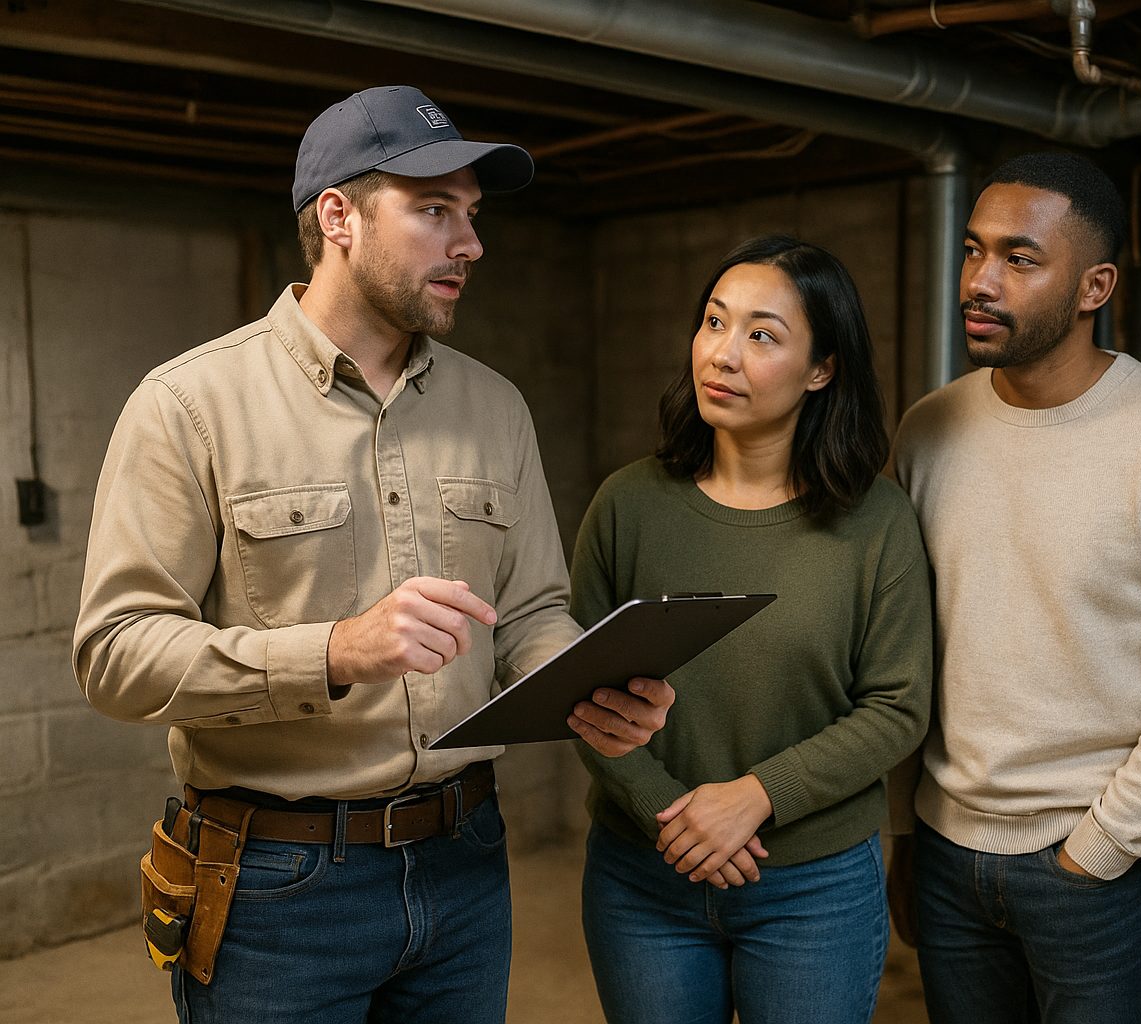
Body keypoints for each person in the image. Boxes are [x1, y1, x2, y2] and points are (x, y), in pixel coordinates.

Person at [72, 85, 674, 1023]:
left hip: (466, 860)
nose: (470, 243)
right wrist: (335, 652)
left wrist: (581, 682)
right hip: (277, 885)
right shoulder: (188, 405)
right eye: (435, 209)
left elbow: (529, 613)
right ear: (338, 216)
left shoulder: (494, 407)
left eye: (471, 214)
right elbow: (115, 655)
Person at [888, 152, 1141, 1023]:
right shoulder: (928, 429)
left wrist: (1101, 845)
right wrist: (905, 831)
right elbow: (905, 646)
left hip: (1096, 866)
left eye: (1020, 259)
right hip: (946, 850)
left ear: (1094, 285)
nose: (981, 281)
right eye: (975, 250)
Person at [568, 235, 932, 1024]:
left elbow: (897, 707)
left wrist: (756, 797)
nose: (723, 355)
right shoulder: (629, 504)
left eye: (762, 335)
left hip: (814, 886)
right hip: (643, 877)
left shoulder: (875, 521)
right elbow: (575, 685)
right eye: (713, 322)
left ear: (822, 369)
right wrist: (673, 815)